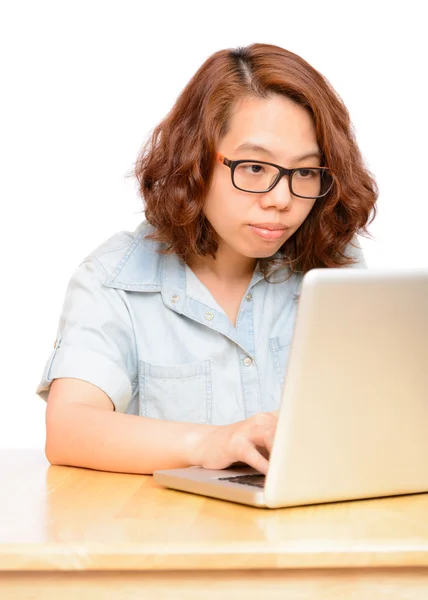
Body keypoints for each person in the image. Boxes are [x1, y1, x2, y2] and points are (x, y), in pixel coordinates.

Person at [36, 43, 378, 476]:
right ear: (195, 159)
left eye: (306, 173)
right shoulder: (114, 278)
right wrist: (210, 442)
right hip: (170, 534)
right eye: (255, 167)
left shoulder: (331, 266)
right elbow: (68, 429)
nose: (282, 199)